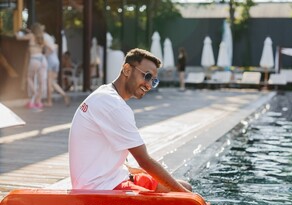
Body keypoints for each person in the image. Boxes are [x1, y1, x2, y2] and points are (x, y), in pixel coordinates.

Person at [69, 48, 192, 193]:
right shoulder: (113, 105)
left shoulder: (106, 94)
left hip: (112, 178)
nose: (149, 85)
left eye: (154, 81)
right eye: (147, 76)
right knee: (184, 199)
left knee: (185, 187)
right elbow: (144, 160)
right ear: (127, 70)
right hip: (100, 188)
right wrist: (190, 197)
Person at [16, 23, 48, 110]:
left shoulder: (30, 36)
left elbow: (19, 38)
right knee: (41, 82)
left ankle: (35, 93)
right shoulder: (42, 37)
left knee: (29, 77)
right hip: (42, 60)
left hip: (34, 59)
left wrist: (17, 32)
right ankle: (38, 102)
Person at [43, 32, 70, 106]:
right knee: (52, 82)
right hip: (56, 61)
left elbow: (51, 48)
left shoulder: (43, 37)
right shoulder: (50, 37)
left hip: (50, 61)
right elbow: (55, 46)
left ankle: (49, 102)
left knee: (49, 82)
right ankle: (64, 94)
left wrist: (44, 55)